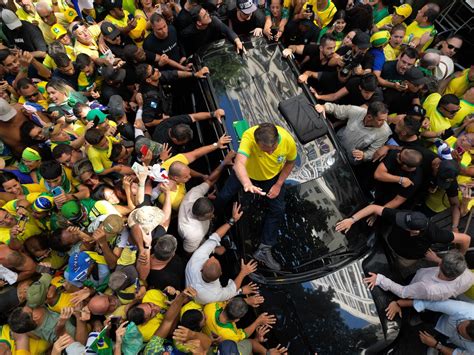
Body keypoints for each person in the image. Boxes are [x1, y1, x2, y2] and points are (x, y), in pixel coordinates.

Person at [214, 123, 296, 270]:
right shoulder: (249, 137)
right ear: (257, 143)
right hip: (246, 175)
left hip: (271, 178)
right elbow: (239, 164)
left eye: (273, 149)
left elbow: (290, 162)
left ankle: (264, 249)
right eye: (266, 150)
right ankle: (212, 219)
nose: (271, 153)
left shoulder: (288, 141)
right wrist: (246, 183)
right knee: (224, 196)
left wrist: (278, 184)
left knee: (278, 209)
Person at [336, 205, 471, 274]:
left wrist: (459, 256)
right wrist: (351, 220)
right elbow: (374, 208)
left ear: (415, 230)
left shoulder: (436, 234)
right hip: (390, 242)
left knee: (398, 268)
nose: (399, 221)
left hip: (406, 258)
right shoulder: (403, 216)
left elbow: (465, 239)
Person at [185, 203, 258, 304]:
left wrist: (232, 220)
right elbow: (232, 290)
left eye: (211, 258)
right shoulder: (213, 294)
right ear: (221, 274)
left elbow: (215, 237)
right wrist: (243, 273)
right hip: (198, 302)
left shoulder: (195, 261)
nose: (212, 257)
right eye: (212, 259)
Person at [364, 249, 474, 301]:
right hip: (427, 291)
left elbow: (403, 292)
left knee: (404, 286)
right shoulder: (468, 275)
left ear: (441, 267)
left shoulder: (428, 287)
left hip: (416, 291)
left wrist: (380, 279)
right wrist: (436, 259)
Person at [315, 101, 390, 164]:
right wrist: (324, 107)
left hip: (346, 160)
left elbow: (373, 151)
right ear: (369, 117)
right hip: (333, 144)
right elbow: (336, 109)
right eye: (380, 120)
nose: (383, 122)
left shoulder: (384, 132)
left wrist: (364, 155)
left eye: (385, 119)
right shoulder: (356, 111)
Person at [179, 5, 245, 55]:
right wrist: (184, 56)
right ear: (199, 23)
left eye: (206, 12)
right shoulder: (187, 33)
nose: (208, 15)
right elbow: (182, 44)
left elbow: (226, 30)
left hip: (215, 51)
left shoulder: (213, 20)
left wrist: (237, 41)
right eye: (204, 16)